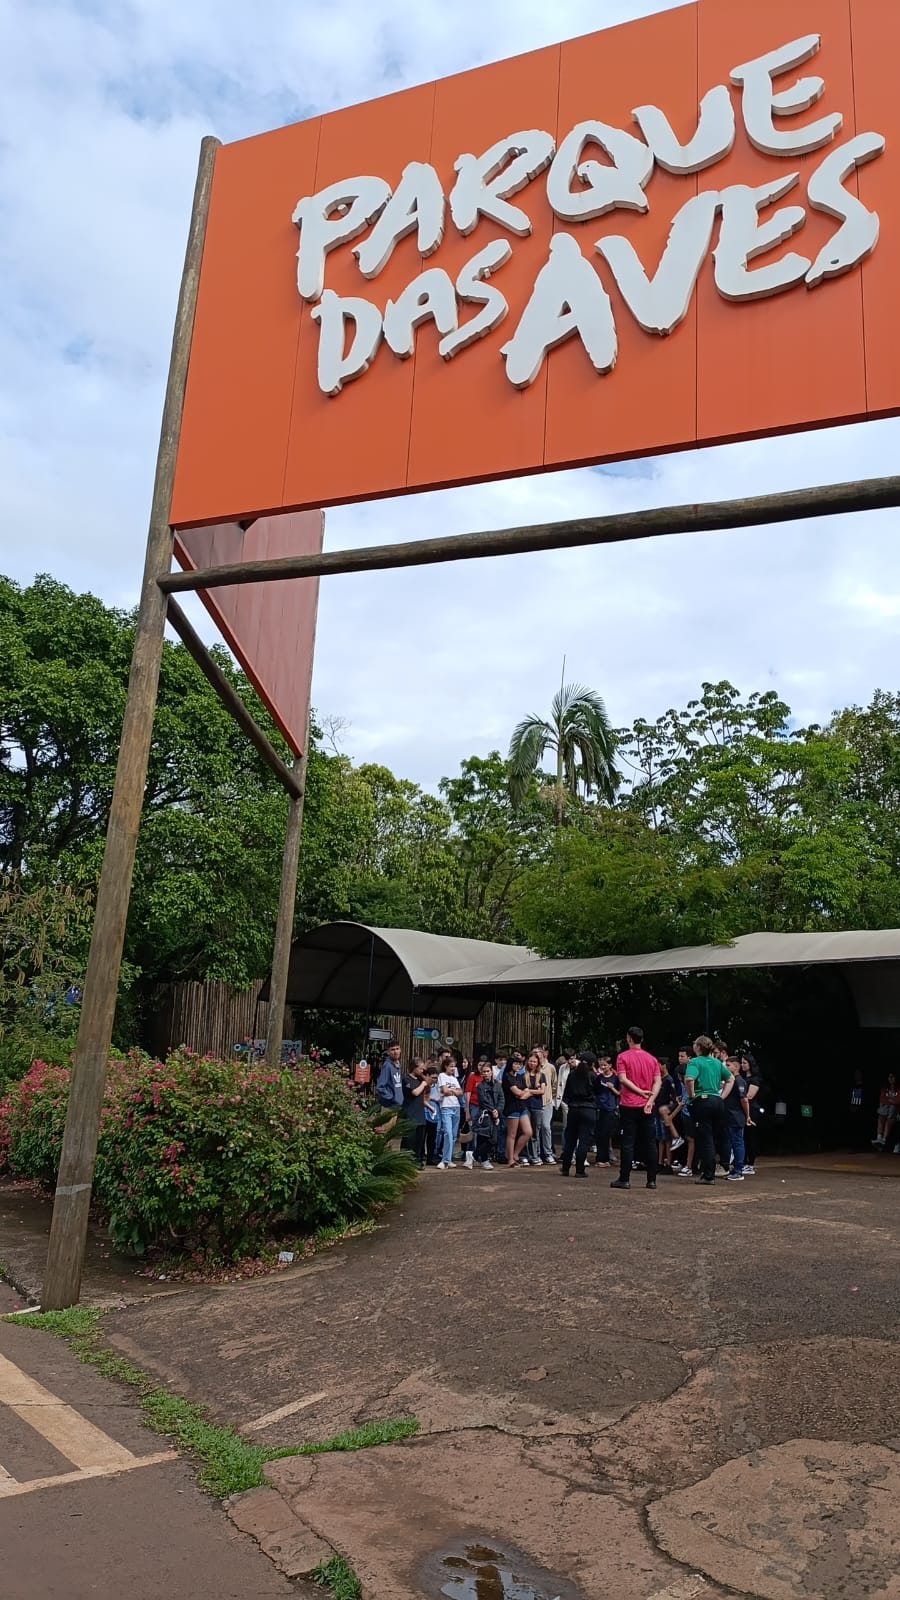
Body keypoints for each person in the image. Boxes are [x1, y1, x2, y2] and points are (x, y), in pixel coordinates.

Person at [611, 1025, 661, 1191]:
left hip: (629, 1104)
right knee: (650, 1142)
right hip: (647, 1104)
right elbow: (658, 1082)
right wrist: (650, 1099)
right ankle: (652, 1180)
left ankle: (625, 1178)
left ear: (629, 1039)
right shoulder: (652, 1059)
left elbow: (623, 1079)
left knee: (628, 1142)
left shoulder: (623, 1057)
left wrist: (640, 1092)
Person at [685, 1035, 733, 1184]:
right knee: (712, 1136)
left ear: (698, 1047)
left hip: (702, 1100)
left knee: (705, 1138)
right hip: (717, 1101)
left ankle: (708, 1175)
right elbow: (730, 1079)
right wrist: (722, 1096)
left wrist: (692, 1094)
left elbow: (689, 1079)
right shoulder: (717, 1063)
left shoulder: (694, 1062)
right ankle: (714, 1168)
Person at [561, 1051, 599, 1176]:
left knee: (570, 1139)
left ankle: (565, 1168)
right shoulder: (592, 1076)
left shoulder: (572, 1075)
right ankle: (579, 1170)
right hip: (588, 1109)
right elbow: (598, 1092)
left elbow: (566, 1094)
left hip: (573, 1109)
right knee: (583, 1141)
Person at [502, 1056, 534, 1167]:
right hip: (511, 1108)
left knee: (528, 1132)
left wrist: (523, 1094)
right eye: (516, 1064)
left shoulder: (520, 1077)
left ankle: (515, 1154)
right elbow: (517, 1092)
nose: (518, 1066)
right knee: (512, 1134)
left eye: (519, 1064)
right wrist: (523, 1094)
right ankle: (510, 1159)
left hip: (522, 1107)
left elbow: (526, 1091)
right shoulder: (507, 1077)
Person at [400, 1058, 432, 1168]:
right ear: (414, 1067)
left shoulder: (420, 1080)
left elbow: (423, 1096)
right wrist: (423, 1084)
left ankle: (417, 1161)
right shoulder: (406, 1079)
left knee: (419, 1141)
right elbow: (415, 1092)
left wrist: (430, 1107)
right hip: (410, 1114)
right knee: (409, 1140)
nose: (422, 1071)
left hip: (420, 1115)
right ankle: (405, 1161)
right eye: (420, 1068)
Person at [723, 1054, 750, 1181]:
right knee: (733, 1143)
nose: (726, 1067)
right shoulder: (730, 1081)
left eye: (728, 1065)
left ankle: (739, 1170)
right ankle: (735, 1169)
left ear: (736, 1067)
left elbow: (744, 1100)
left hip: (736, 1117)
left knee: (738, 1143)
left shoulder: (739, 1081)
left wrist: (747, 1115)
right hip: (729, 1117)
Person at [474, 1060, 504, 1168]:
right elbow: (483, 1101)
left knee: (494, 1139)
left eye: (488, 1071)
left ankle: (474, 1154)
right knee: (483, 1137)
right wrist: (492, 1111)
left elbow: (501, 1099)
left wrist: (498, 1110)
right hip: (485, 1115)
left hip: (495, 1115)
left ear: (491, 1072)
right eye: (484, 1072)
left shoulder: (497, 1085)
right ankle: (484, 1160)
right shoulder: (480, 1086)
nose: (486, 1074)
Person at [436, 1057, 464, 1170]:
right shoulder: (442, 1076)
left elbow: (460, 1092)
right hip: (446, 1107)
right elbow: (444, 1091)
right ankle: (445, 1160)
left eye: (454, 1066)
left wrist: (451, 1091)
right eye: (451, 1066)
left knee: (453, 1135)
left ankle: (449, 1158)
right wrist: (453, 1092)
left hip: (456, 1107)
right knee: (447, 1132)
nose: (453, 1068)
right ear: (446, 1066)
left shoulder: (454, 1078)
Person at [592, 1053, 620, 1166]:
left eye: (604, 1065)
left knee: (606, 1133)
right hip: (599, 1107)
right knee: (598, 1133)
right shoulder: (599, 1078)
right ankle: (600, 1158)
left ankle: (606, 1159)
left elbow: (620, 1093)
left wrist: (612, 1088)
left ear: (610, 1065)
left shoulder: (616, 1078)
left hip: (610, 1108)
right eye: (601, 1065)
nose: (602, 1068)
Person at [673, 1048, 697, 1177]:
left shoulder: (690, 1078)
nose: (680, 1058)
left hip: (691, 1112)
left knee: (691, 1139)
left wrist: (671, 1116)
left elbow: (687, 1099)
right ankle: (684, 1162)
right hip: (685, 1112)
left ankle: (690, 1166)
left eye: (682, 1056)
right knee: (688, 1139)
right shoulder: (683, 1081)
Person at [739, 1052, 764, 1173]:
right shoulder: (742, 1079)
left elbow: (750, 1095)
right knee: (743, 1137)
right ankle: (743, 1161)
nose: (742, 1065)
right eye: (741, 1063)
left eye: (745, 1063)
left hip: (752, 1110)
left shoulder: (755, 1079)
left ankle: (750, 1163)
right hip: (742, 1109)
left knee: (751, 1137)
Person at [524, 1052, 547, 1165]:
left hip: (537, 1106)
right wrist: (534, 1091)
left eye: (534, 1061)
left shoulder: (541, 1076)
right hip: (525, 1106)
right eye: (531, 1061)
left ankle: (535, 1155)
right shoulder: (523, 1075)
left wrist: (529, 1091)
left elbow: (542, 1091)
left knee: (535, 1132)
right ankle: (526, 1155)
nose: (532, 1063)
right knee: (526, 1132)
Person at [535, 1049, 557, 1163]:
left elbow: (554, 1083)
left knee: (546, 1127)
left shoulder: (551, 1068)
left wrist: (551, 1097)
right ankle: (537, 1153)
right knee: (536, 1129)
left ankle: (548, 1153)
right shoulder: (532, 1068)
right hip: (535, 1102)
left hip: (547, 1102)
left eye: (539, 1052)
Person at [872, 1072, 900, 1149]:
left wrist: (891, 1101)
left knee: (891, 1110)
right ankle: (879, 1137)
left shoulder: (898, 1088)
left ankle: (884, 1139)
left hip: (896, 1111)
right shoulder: (884, 1087)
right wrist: (891, 1100)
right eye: (889, 1077)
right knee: (882, 1112)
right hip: (886, 1109)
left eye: (892, 1077)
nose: (891, 1078)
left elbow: (898, 1100)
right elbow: (882, 1099)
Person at [375, 1043, 404, 1111]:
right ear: (388, 1052)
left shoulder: (397, 1065)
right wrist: (391, 1098)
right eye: (392, 1050)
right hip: (390, 1106)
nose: (395, 1052)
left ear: (400, 1050)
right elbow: (380, 1087)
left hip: (398, 1105)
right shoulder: (387, 1066)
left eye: (397, 1049)